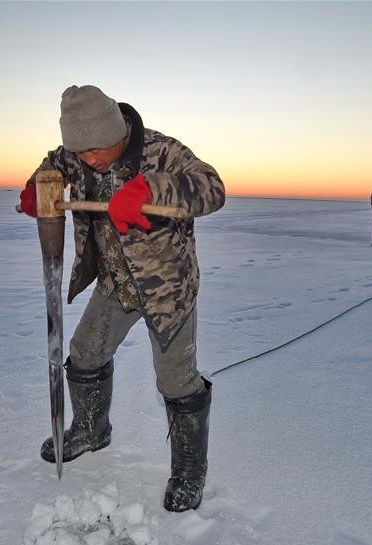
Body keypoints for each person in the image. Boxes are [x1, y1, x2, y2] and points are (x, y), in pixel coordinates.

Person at [18, 85, 225, 512]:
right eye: (81, 150)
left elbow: (212, 188)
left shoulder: (162, 152)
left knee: (175, 379)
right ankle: (91, 429)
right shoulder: (76, 153)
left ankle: (189, 469)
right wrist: (38, 187)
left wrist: (153, 191)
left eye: (96, 148)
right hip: (116, 283)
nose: (88, 158)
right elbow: (52, 165)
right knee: (84, 353)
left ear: (115, 130)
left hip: (167, 287)